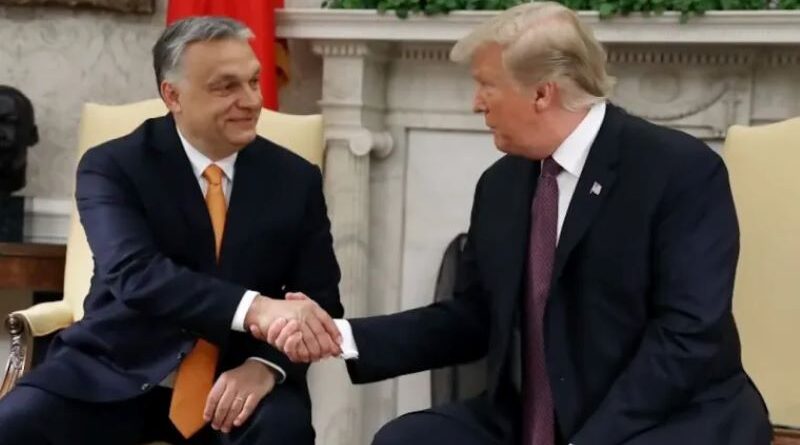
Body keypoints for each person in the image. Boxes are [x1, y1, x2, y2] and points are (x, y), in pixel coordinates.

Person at [265, 3, 772, 444]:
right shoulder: (501, 184)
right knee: (405, 439)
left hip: (661, 417)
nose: (476, 102)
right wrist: (340, 336)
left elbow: (686, 339)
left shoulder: (678, 170)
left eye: (486, 85)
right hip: (530, 419)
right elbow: (472, 318)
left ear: (542, 94)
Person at [0, 16, 343, 445]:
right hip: (114, 368)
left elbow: (321, 298)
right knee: (12, 425)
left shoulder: (296, 179)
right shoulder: (113, 166)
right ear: (173, 95)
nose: (252, 100)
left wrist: (265, 367)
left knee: (283, 431)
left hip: (236, 378)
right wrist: (257, 309)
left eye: (254, 81)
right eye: (226, 87)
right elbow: (136, 274)